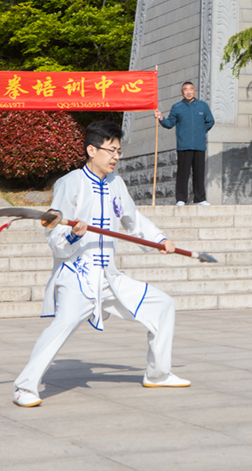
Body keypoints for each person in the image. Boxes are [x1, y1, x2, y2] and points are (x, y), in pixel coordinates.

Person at [13, 121, 191, 408]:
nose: (116, 157)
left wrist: (160, 239)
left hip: (109, 276)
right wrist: (72, 233)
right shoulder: (69, 184)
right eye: (111, 150)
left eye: (118, 151)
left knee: (163, 305)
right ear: (91, 150)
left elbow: (133, 220)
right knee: (62, 326)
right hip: (78, 274)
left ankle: (158, 374)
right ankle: (25, 387)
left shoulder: (116, 184)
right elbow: (53, 233)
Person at [154, 82, 215, 206]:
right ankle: (181, 199)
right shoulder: (177, 107)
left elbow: (210, 121)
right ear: (182, 92)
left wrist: (201, 131)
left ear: (194, 91)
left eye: (191, 89)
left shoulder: (203, 106)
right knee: (183, 173)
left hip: (199, 145)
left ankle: (200, 199)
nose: (188, 92)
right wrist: (161, 118)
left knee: (199, 173)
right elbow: (169, 124)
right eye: (186, 89)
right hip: (184, 146)